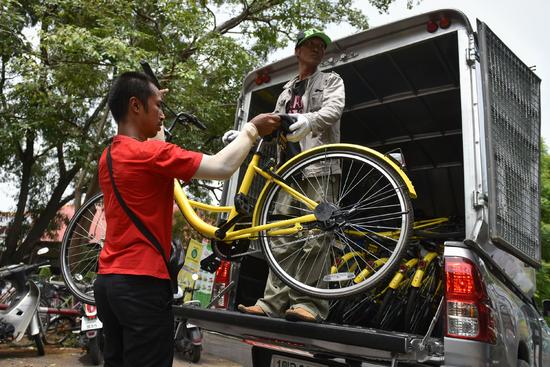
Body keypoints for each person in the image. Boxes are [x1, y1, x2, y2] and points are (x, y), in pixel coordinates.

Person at [93, 71, 280, 367]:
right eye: (157, 106)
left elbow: (151, 139)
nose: (163, 115)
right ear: (135, 106)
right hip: (142, 283)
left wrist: (153, 100)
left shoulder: (109, 157)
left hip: (108, 283)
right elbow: (221, 167)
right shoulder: (150, 154)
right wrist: (252, 130)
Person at [230, 28, 345, 323]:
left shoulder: (330, 80)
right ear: (298, 50)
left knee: (318, 235)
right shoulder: (286, 91)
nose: (317, 49)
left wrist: (309, 120)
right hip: (287, 173)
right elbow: (271, 129)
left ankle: (309, 304)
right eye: (311, 44)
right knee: (280, 236)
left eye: (321, 45)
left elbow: (334, 108)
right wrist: (246, 134)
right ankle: (271, 304)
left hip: (319, 166)